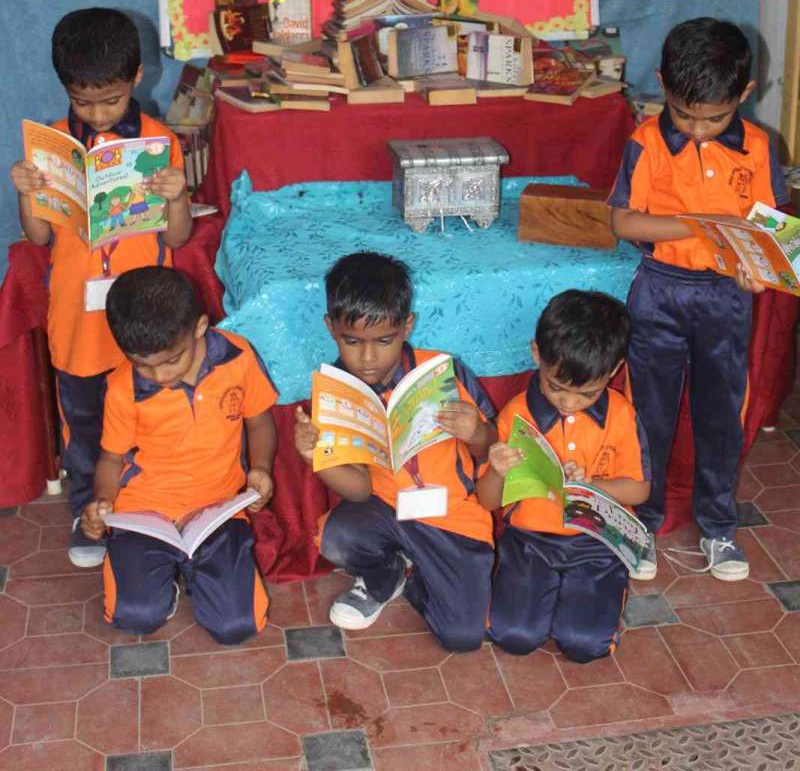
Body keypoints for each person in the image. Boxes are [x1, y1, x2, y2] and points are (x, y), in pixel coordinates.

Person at [9, 8, 192, 568]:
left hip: (144, 315)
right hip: (78, 318)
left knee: (152, 414)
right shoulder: (52, 145)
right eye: (82, 102)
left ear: (136, 77)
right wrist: (25, 191)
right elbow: (38, 236)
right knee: (85, 424)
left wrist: (177, 196)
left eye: (110, 101)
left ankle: (151, 506)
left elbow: (178, 237)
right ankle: (90, 511)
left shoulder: (159, 141)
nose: (97, 113)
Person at [609, 17, 789, 582]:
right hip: (658, 293)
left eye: (715, 118)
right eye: (685, 114)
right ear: (664, 85)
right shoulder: (646, 141)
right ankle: (643, 522)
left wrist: (759, 271)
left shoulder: (759, 146)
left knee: (720, 416)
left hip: (725, 299)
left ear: (744, 94)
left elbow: (769, 229)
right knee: (650, 416)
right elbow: (624, 221)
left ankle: (718, 527)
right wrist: (696, 224)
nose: (698, 129)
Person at [293, 251, 497, 651]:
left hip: (451, 514)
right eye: (352, 341)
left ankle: (420, 576)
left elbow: (493, 446)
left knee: (462, 636)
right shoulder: (336, 393)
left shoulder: (444, 371)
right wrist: (315, 458)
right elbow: (357, 490)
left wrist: (476, 432)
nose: (368, 358)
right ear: (331, 328)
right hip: (384, 509)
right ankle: (385, 575)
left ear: (407, 326)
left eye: (384, 341)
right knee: (336, 537)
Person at [81, 266, 277, 644]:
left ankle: (193, 570)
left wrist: (262, 470)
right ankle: (165, 577)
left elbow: (259, 422)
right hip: (144, 512)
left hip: (219, 508)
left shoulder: (237, 357)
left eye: (171, 360)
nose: (158, 375)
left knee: (238, 625)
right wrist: (102, 502)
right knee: (135, 616)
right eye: (142, 364)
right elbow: (110, 459)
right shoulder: (122, 388)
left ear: (200, 327)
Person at [477, 290, 650, 663]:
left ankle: (600, 596)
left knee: (584, 644)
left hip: (597, 539)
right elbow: (487, 501)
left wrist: (591, 486)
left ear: (614, 370)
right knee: (515, 636)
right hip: (530, 540)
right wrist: (497, 471)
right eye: (556, 387)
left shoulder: (622, 414)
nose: (568, 403)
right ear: (536, 354)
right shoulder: (516, 414)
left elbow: (639, 490)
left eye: (587, 394)